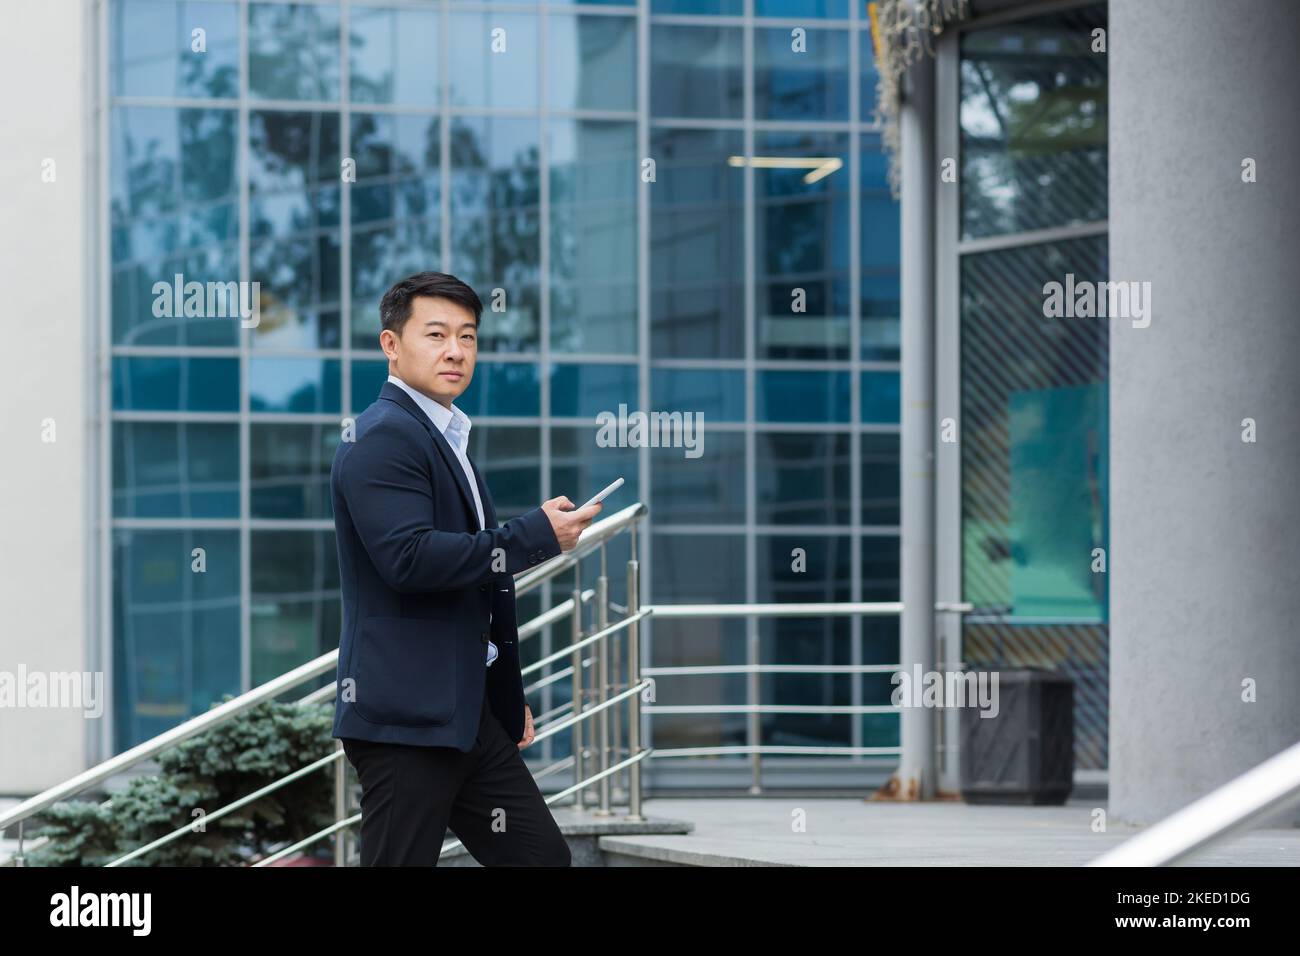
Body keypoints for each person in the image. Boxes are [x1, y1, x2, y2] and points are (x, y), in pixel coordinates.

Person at [331, 271, 600, 866]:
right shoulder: (382, 436)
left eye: (468, 336)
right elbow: (410, 559)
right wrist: (535, 535)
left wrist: (502, 696)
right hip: (405, 719)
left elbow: (476, 584)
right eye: (436, 334)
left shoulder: (443, 436)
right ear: (391, 345)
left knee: (542, 862)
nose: (455, 350)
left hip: (463, 714)